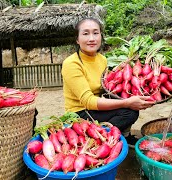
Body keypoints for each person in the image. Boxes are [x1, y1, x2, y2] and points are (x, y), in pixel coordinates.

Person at [61, 17, 154, 147]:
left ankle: (121, 135)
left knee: (127, 97)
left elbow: (106, 87)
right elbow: (88, 101)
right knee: (129, 111)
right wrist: (127, 103)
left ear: (101, 36)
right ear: (77, 39)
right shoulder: (71, 63)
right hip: (80, 113)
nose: (92, 38)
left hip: (96, 106)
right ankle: (97, 137)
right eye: (85, 33)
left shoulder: (102, 59)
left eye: (96, 33)